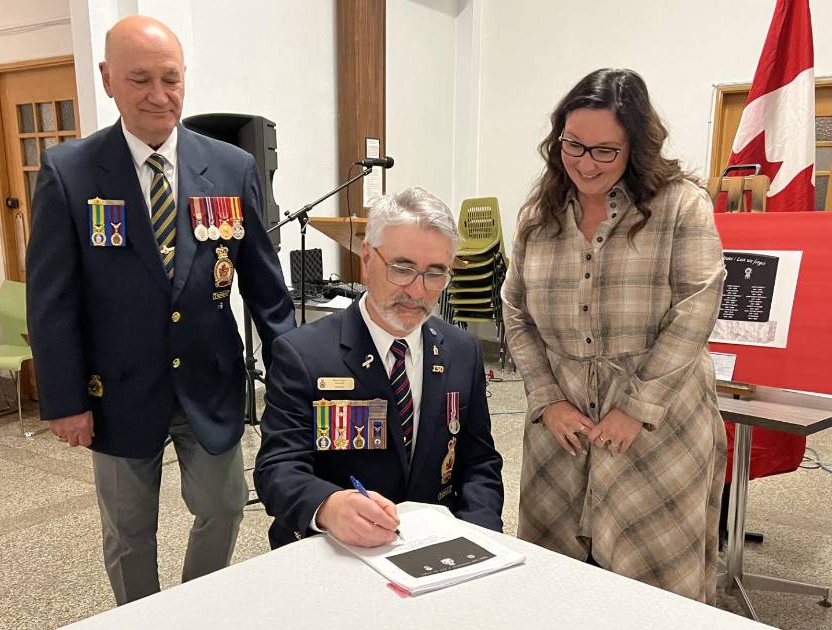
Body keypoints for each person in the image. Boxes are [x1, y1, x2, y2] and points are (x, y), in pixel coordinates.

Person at [25, 15, 294, 605]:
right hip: (115, 392)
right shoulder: (70, 173)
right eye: (139, 78)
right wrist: (65, 399)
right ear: (107, 80)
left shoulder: (230, 167)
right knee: (128, 532)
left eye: (169, 79)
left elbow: (267, 288)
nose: (157, 95)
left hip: (210, 382)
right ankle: (138, 619)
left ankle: (191, 611)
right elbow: (51, 300)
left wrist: (294, 379)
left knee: (224, 509)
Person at [502, 68, 726, 602]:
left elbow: (697, 308)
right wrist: (548, 398)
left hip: (657, 423)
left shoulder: (682, 205)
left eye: (605, 151)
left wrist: (636, 407)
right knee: (554, 577)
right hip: (563, 426)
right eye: (573, 145)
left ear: (636, 148)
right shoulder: (540, 213)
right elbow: (516, 310)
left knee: (656, 580)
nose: (584, 163)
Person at [254, 187, 504, 549]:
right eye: (402, 268)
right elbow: (278, 468)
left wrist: (479, 537)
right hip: (335, 548)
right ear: (367, 258)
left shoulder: (462, 351)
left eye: (435, 274)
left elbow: (479, 462)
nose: (417, 292)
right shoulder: (303, 353)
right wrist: (327, 506)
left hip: (432, 546)